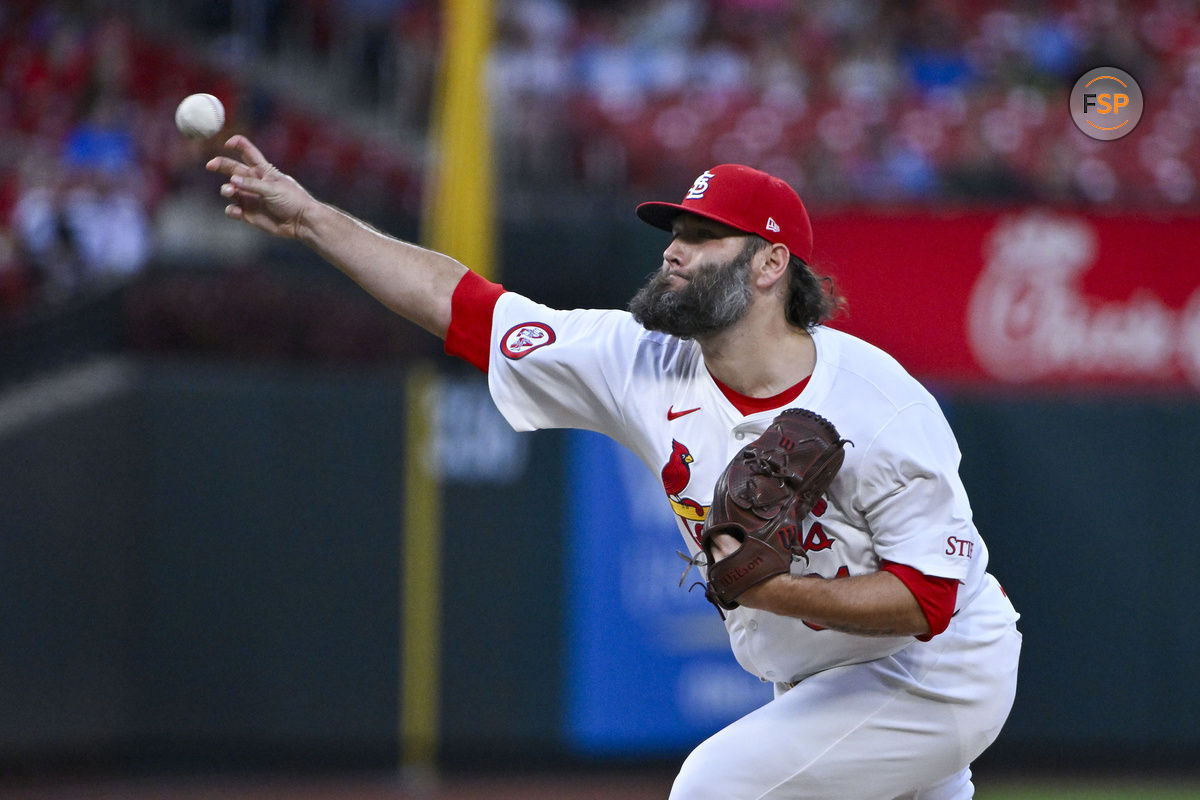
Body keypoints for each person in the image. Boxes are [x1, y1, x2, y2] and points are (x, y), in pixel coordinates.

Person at [207, 136, 1021, 800]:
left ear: (770, 266)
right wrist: (314, 219)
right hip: (820, 682)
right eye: (675, 233)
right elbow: (462, 306)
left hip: (934, 673)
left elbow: (930, 599)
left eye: (704, 237)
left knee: (714, 789)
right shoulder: (643, 362)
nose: (675, 252)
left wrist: (772, 590)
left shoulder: (881, 404)